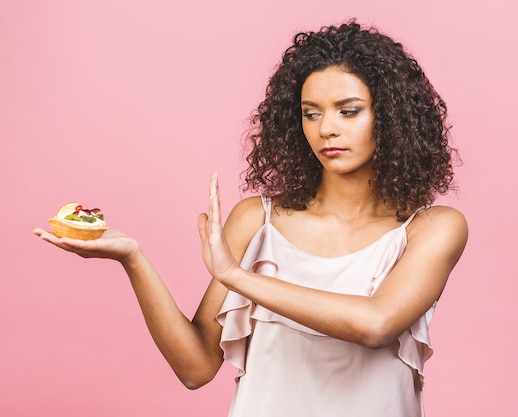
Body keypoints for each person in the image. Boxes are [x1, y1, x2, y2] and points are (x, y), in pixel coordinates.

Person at [34, 20, 468, 417]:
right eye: (310, 112)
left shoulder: (433, 228)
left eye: (348, 110)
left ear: (390, 117)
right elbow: (196, 368)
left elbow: (376, 324)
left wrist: (234, 276)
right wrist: (132, 257)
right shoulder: (256, 219)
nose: (326, 129)